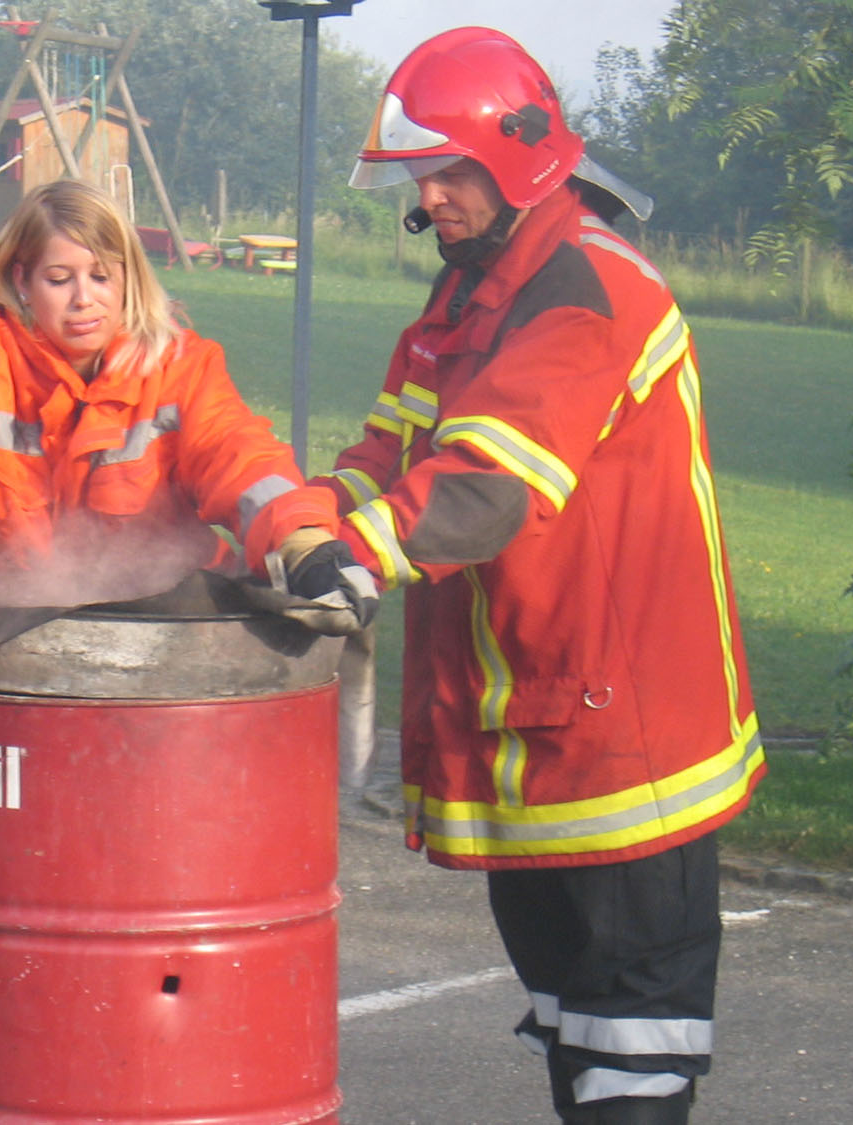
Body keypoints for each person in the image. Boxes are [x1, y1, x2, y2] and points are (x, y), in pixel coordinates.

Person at [313, 28, 765, 1125]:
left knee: (628, 1052)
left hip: (624, 742)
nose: (434, 196)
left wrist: (357, 556)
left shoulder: (582, 290)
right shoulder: (467, 293)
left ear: (516, 155)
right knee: (572, 1025)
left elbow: (485, 487)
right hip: (539, 726)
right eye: (423, 176)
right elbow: (388, 452)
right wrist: (291, 527)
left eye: (451, 170)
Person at [0, 178, 377, 707]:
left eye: (100, 276)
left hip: (177, 647)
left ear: (129, 279)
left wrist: (303, 544)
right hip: (8, 654)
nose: (83, 300)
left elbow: (239, 458)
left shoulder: (179, 367)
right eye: (59, 278)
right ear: (21, 280)